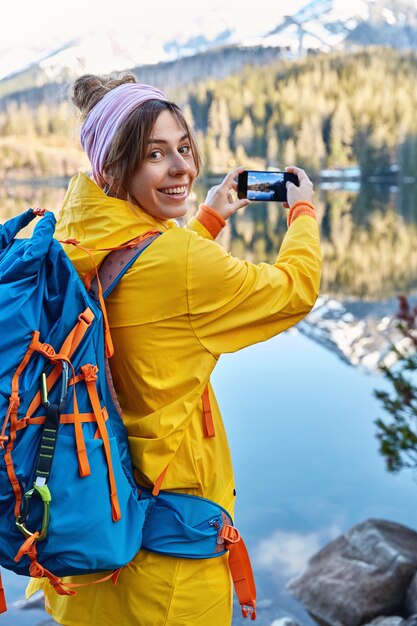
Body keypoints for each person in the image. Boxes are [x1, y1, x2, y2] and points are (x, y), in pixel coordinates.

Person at [26, 72, 321, 626]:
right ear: (113, 168)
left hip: (84, 551)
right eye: (155, 154)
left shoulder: (72, 238)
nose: (181, 167)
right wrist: (302, 215)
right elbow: (293, 291)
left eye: (184, 148)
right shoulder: (179, 260)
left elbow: (140, 299)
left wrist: (205, 221)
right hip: (167, 570)